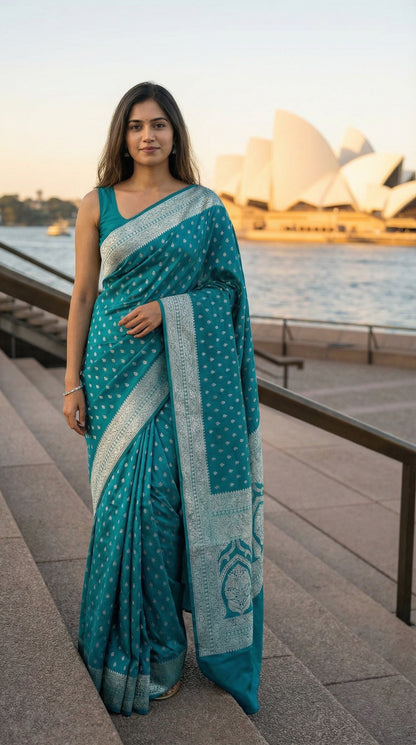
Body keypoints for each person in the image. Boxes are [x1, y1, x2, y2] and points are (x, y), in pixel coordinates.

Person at [63, 82, 263, 716]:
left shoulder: (203, 207)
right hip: (109, 372)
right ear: (121, 135)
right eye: (134, 126)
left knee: (156, 508)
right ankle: (118, 647)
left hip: (178, 377)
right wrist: (71, 382)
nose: (147, 135)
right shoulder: (95, 204)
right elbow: (83, 298)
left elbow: (229, 298)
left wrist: (168, 309)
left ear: (176, 133)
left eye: (158, 125)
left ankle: (165, 649)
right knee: (118, 509)